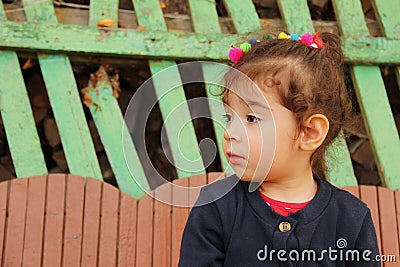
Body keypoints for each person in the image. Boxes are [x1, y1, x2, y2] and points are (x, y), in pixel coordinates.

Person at [178, 32, 380, 266]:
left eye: (251, 118)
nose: (229, 133)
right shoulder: (215, 207)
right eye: (229, 117)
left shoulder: (350, 219)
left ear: (309, 132)